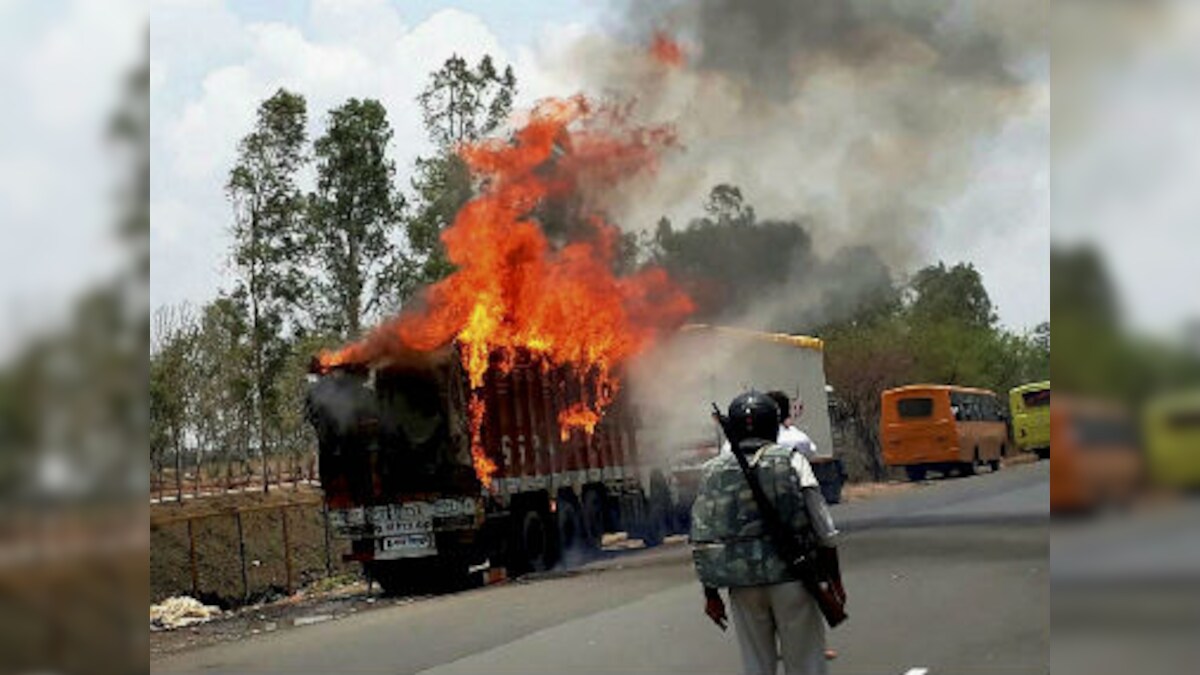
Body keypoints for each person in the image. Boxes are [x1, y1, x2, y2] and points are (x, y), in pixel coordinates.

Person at [691, 392, 844, 675]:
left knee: (757, 665)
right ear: (773, 425)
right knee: (806, 662)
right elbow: (824, 529)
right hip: (793, 579)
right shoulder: (793, 461)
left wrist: (711, 595)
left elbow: (703, 538)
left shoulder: (712, 472)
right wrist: (833, 580)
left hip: (742, 583)